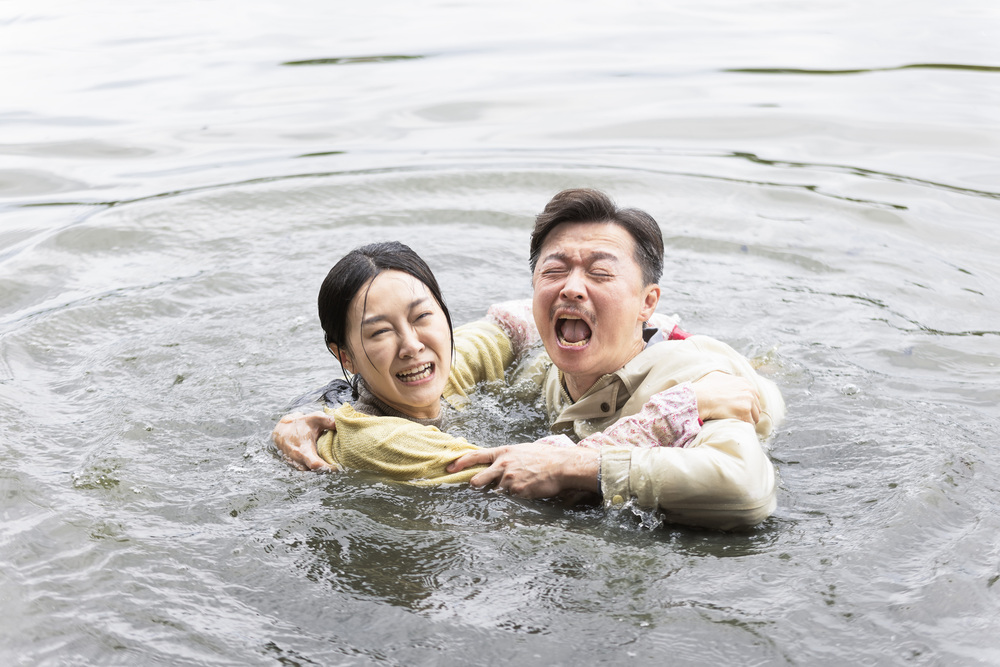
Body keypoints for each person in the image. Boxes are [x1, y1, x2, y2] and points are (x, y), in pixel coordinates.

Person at [275, 189, 784, 529]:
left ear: (649, 302)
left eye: (600, 274)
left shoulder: (695, 382)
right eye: (555, 271)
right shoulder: (545, 366)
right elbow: (476, 349)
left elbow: (747, 491)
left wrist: (587, 461)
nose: (572, 289)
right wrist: (309, 409)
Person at [286, 241, 760, 488]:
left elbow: (505, 326)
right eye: (380, 332)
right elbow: (524, 473)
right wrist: (677, 408)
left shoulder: (438, 375)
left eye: (422, 316)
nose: (412, 345)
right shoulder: (380, 440)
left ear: (445, 316)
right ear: (344, 355)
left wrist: (633, 313)